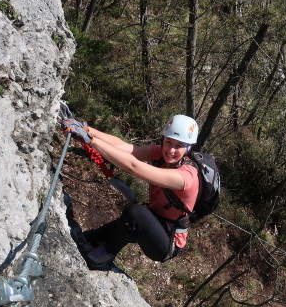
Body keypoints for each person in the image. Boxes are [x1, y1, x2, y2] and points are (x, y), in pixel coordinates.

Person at [61, 114, 200, 269]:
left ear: (189, 148)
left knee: (135, 212)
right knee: (88, 239)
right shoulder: (160, 154)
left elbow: (134, 166)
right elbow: (124, 147)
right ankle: (100, 247)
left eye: (179, 145)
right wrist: (86, 129)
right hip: (149, 222)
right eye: (168, 142)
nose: (171, 150)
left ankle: (105, 255)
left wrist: (91, 141)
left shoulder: (186, 177)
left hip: (165, 243)